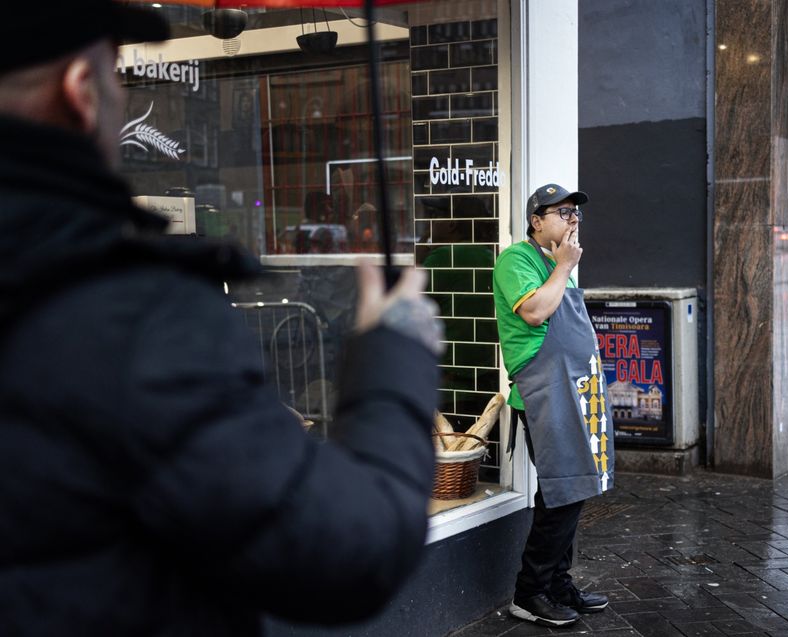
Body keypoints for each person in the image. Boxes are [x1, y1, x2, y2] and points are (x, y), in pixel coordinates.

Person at [0, 2, 442, 634]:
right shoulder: (132, 318)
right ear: (81, 93)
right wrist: (394, 351)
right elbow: (349, 554)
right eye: (117, 75)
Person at [493, 183, 614, 628]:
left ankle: (558, 584)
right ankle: (529, 593)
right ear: (535, 220)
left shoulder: (553, 261)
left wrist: (562, 265)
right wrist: (564, 266)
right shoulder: (517, 260)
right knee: (561, 496)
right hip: (544, 392)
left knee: (573, 490)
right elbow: (534, 313)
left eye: (574, 212)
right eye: (561, 212)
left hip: (574, 390)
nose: (572, 219)